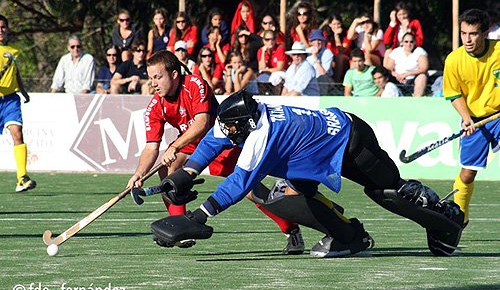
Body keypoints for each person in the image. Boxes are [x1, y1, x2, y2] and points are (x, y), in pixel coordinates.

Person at [150, 90, 464, 257]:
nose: (228, 132)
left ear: (245, 124)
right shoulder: (243, 115)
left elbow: (239, 182)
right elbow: (211, 142)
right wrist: (186, 173)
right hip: (316, 151)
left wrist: (199, 216)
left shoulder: (263, 135)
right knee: (281, 196)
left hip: (350, 141)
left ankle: (446, 221)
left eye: (233, 128)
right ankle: (349, 236)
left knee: (389, 193)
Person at [128, 51, 304, 253]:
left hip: (221, 142)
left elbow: (202, 124)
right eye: (151, 78)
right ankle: (178, 229)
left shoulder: (194, 84)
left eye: (158, 77)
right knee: (170, 171)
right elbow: (151, 147)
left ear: (174, 74)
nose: (153, 84)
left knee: (249, 190)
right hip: (192, 144)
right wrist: (139, 174)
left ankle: (291, 230)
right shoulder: (155, 106)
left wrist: (174, 146)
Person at [443, 9, 500, 228]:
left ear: (485, 33)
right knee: (467, 175)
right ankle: (460, 216)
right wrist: (466, 119)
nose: (467, 39)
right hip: (475, 119)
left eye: (473, 34)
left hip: (498, 114)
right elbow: (454, 94)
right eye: (464, 33)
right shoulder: (454, 60)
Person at [0, 14, 36, 192]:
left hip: (10, 99)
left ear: (7, 29)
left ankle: (22, 177)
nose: (0, 31)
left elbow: (16, 74)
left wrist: (23, 92)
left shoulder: (14, 50)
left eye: (3, 27)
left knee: (17, 134)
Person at [385, 32, 429, 97]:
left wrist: (406, 74)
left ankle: (417, 99)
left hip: (413, 78)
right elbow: (388, 68)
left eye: (411, 42)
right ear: (402, 42)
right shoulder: (396, 52)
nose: (409, 44)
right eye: (406, 42)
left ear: (414, 42)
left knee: (422, 77)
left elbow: (424, 68)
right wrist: (397, 76)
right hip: (397, 79)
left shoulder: (420, 51)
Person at [325, 14, 352, 83]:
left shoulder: (347, 34)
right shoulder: (325, 34)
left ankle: (336, 82)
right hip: (330, 59)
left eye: (338, 24)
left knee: (339, 57)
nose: (336, 27)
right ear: (329, 25)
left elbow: (341, 51)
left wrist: (336, 35)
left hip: (345, 59)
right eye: (334, 24)